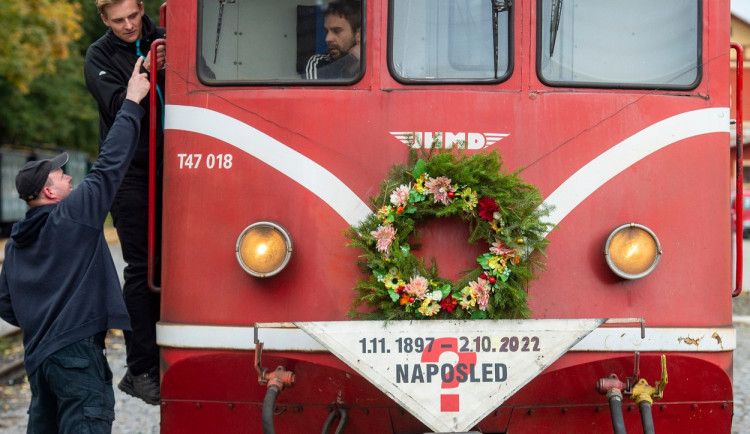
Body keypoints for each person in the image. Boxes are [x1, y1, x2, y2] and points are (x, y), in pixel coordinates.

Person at [0, 59, 150, 433]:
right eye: (61, 174)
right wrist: (132, 99)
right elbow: (111, 162)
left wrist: (46, 317)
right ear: (49, 192)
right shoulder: (73, 215)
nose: (69, 177)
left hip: (39, 360)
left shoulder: (16, 244)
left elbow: (7, 306)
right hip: (77, 359)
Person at [84, 0, 165, 405]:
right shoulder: (98, 55)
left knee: (174, 263)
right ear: (104, 20)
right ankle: (141, 368)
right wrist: (149, 71)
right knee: (142, 266)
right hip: (128, 172)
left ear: (142, 8)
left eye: (133, 16)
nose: (129, 25)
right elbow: (119, 108)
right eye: (118, 21)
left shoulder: (165, 37)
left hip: (175, 164)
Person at [305, 0, 362, 79]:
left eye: (336, 31)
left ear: (359, 35)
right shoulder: (319, 63)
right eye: (326, 31)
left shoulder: (375, 65)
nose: (327, 39)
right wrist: (350, 60)